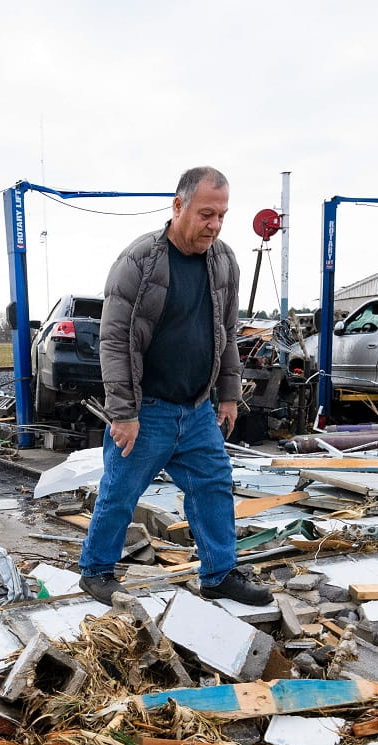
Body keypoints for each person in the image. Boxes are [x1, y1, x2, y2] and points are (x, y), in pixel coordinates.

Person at [78, 166, 270, 607]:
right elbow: (115, 341)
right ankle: (96, 571)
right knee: (121, 491)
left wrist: (228, 394)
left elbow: (225, 332)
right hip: (148, 409)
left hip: (197, 408)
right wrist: (123, 413)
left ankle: (219, 574)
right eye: (206, 214)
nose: (215, 225)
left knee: (214, 485)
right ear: (178, 206)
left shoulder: (224, 261)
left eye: (222, 215)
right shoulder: (139, 262)